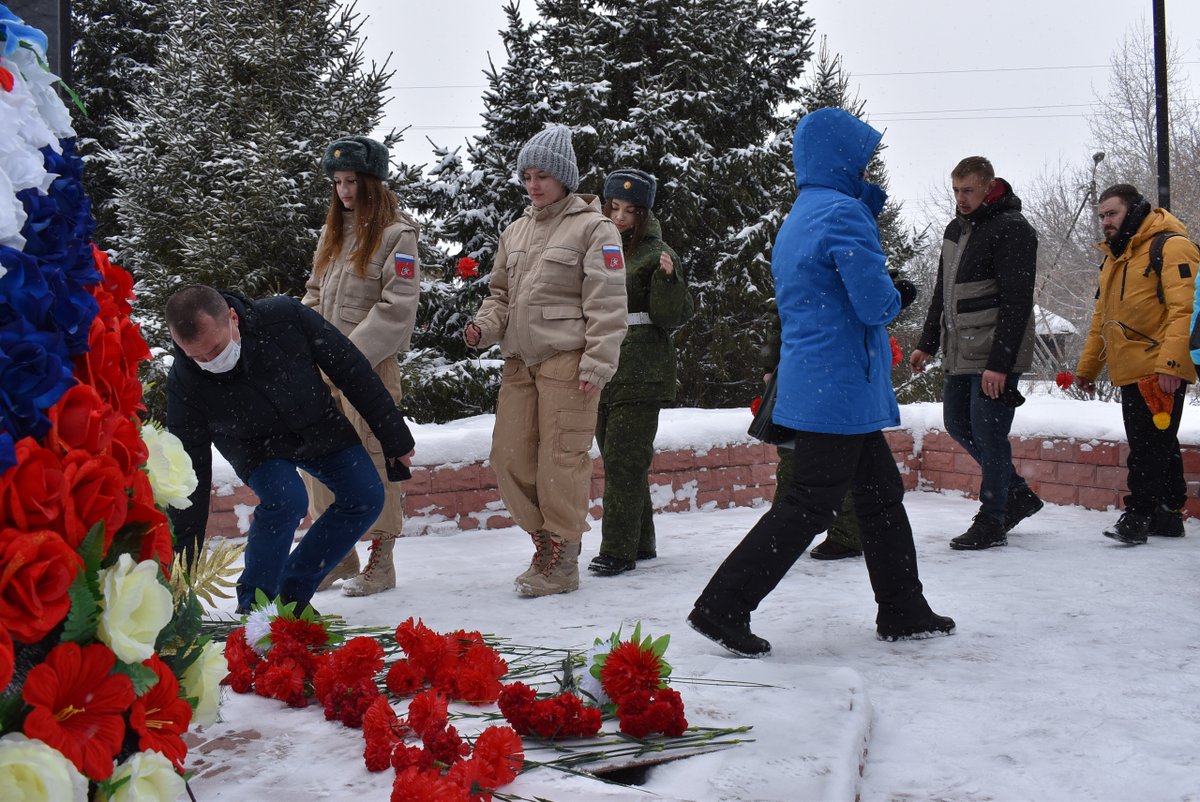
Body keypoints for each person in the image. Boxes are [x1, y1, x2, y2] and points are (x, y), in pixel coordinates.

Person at [687, 108, 954, 658]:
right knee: (809, 505)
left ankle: (904, 608)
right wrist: (899, 288)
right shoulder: (843, 216)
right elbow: (874, 303)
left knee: (880, 496)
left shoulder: (803, 213)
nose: (866, 169)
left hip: (818, 382)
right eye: (861, 160)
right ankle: (724, 605)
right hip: (840, 388)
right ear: (842, 159)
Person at [165, 285, 415, 614]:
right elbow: (191, 472)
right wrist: (182, 567)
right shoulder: (185, 383)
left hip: (316, 424)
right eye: (198, 357)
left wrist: (394, 438)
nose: (210, 362)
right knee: (286, 500)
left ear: (233, 318)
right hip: (252, 444)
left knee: (366, 495)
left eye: (215, 349)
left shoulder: (284, 318)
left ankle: (291, 594)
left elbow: (350, 368)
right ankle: (255, 606)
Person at [464, 125, 628, 597]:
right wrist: (484, 327)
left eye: (543, 175)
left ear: (564, 178)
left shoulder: (596, 229)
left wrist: (598, 364)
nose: (533, 185)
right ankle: (544, 542)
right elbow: (500, 296)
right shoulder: (515, 231)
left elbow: (608, 304)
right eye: (527, 175)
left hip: (567, 363)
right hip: (520, 364)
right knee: (508, 457)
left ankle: (562, 559)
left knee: (561, 462)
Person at [301, 135, 421, 597]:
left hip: (368, 370)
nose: (344, 191)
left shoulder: (397, 236)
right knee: (318, 463)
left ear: (373, 181)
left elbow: (395, 310)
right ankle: (337, 556)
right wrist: (302, 345)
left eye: (352, 181)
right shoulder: (333, 234)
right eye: (337, 182)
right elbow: (312, 295)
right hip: (323, 372)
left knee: (376, 460)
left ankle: (381, 561)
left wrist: (343, 358)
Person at [910, 156, 1042, 551]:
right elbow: (942, 294)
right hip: (959, 351)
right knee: (957, 423)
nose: (960, 198)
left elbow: (1017, 302)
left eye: (967, 190)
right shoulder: (956, 229)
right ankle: (1015, 492)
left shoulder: (1014, 230)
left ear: (988, 186)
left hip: (994, 358)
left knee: (990, 432)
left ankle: (992, 519)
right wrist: (926, 343)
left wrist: (999, 365)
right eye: (955, 190)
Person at [1075, 183, 1198, 544]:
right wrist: (1087, 368)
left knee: (1147, 447)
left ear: (1135, 209)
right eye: (1101, 216)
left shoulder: (1171, 246)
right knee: (1158, 443)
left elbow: (1184, 310)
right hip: (1130, 368)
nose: (1105, 222)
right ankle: (1169, 512)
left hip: (1160, 368)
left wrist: (1172, 365)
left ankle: (1138, 515)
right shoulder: (1117, 256)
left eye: (1112, 213)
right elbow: (1103, 319)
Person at [588, 168, 694, 576]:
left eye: (630, 210)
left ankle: (617, 550)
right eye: (613, 207)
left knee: (624, 461)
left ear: (644, 214)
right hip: (603, 365)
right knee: (621, 460)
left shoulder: (658, 253)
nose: (619, 217)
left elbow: (673, 317)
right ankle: (642, 541)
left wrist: (668, 279)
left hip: (643, 370)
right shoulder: (596, 245)